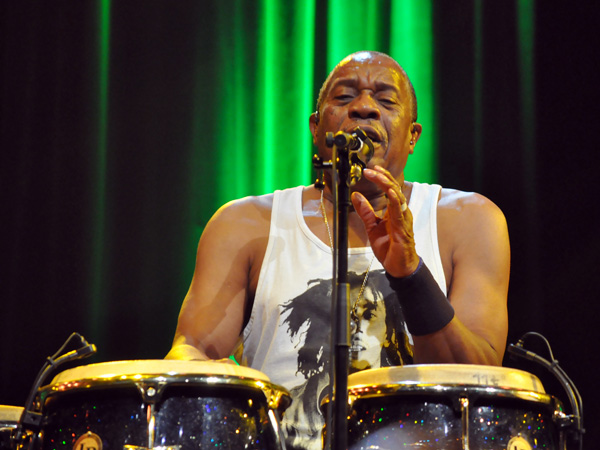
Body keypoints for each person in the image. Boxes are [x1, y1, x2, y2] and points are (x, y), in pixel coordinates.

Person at [166, 50, 510, 450]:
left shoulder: (469, 221)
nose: (364, 107)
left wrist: (411, 274)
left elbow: (478, 380)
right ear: (316, 128)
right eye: (344, 97)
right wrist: (196, 367)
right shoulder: (244, 224)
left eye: (385, 100)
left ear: (412, 136)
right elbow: (191, 352)